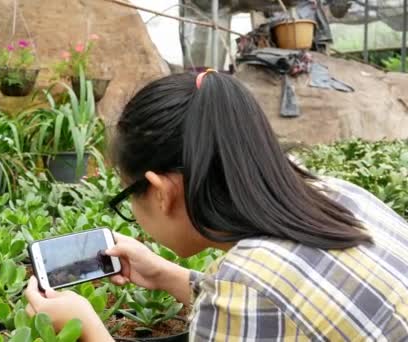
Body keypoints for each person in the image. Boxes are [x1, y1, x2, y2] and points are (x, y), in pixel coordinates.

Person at [25, 71, 408, 341]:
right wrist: (166, 276)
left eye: (128, 196)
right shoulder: (339, 194)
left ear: (160, 191)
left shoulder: (248, 281)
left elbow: (262, 295)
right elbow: (287, 307)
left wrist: (87, 328)